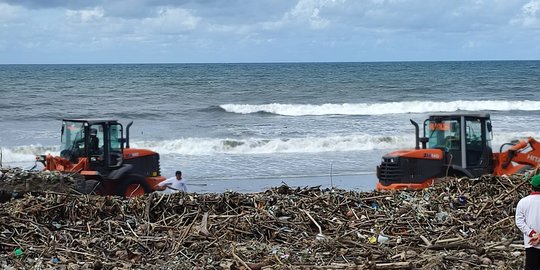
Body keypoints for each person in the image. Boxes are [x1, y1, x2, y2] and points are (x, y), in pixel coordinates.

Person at [515, 174, 540, 270]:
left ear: (532, 187)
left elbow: (519, 221)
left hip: (531, 243)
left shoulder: (523, 202)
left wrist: (532, 234)